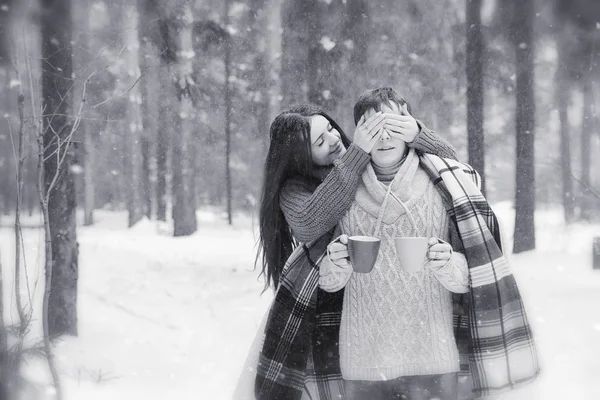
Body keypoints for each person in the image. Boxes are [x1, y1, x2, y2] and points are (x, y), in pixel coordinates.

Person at [247, 88, 539, 400]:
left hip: (430, 343)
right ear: (299, 158)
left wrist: (416, 133)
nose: (334, 140)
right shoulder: (302, 186)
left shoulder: (360, 160)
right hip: (347, 336)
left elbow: (454, 172)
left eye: (331, 128)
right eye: (320, 142)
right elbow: (309, 223)